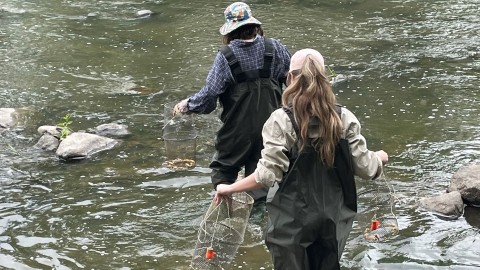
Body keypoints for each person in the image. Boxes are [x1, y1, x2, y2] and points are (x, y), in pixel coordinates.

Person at [215, 48, 389, 269]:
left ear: (289, 78)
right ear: (326, 78)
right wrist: (380, 157)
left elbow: (266, 176)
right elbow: (366, 168)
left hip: (290, 225)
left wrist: (229, 188)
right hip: (332, 222)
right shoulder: (344, 118)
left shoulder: (281, 121)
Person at [173, 2, 291, 203]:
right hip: (272, 127)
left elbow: (210, 94)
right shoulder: (275, 48)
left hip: (237, 132)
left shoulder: (226, 56)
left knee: (223, 171)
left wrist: (187, 105)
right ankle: (258, 220)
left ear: (230, 31)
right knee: (261, 176)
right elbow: (292, 80)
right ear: (254, 26)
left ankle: (225, 211)